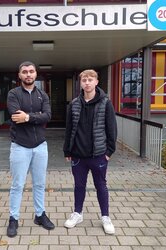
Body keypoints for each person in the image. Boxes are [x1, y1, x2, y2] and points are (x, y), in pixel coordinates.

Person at [63, 69, 117, 234]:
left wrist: (109, 152)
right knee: (79, 185)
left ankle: (105, 217)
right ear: (81, 83)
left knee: (101, 185)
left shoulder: (105, 103)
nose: (87, 82)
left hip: (98, 155)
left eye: (90, 79)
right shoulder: (74, 104)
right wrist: (67, 150)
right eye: (84, 80)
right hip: (78, 155)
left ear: (96, 82)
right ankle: (77, 213)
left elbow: (112, 129)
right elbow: (69, 129)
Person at [6, 61, 55, 238]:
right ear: (19, 75)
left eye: (31, 71)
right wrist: (35, 117)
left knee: (40, 184)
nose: (28, 74)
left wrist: (27, 117)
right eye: (25, 72)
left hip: (40, 146)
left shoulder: (43, 95)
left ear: (36, 74)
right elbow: (15, 115)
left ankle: (40, 215)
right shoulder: (13, 94)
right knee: (18, 184)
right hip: (20, 146)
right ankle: (13, 218)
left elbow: (48, 116)